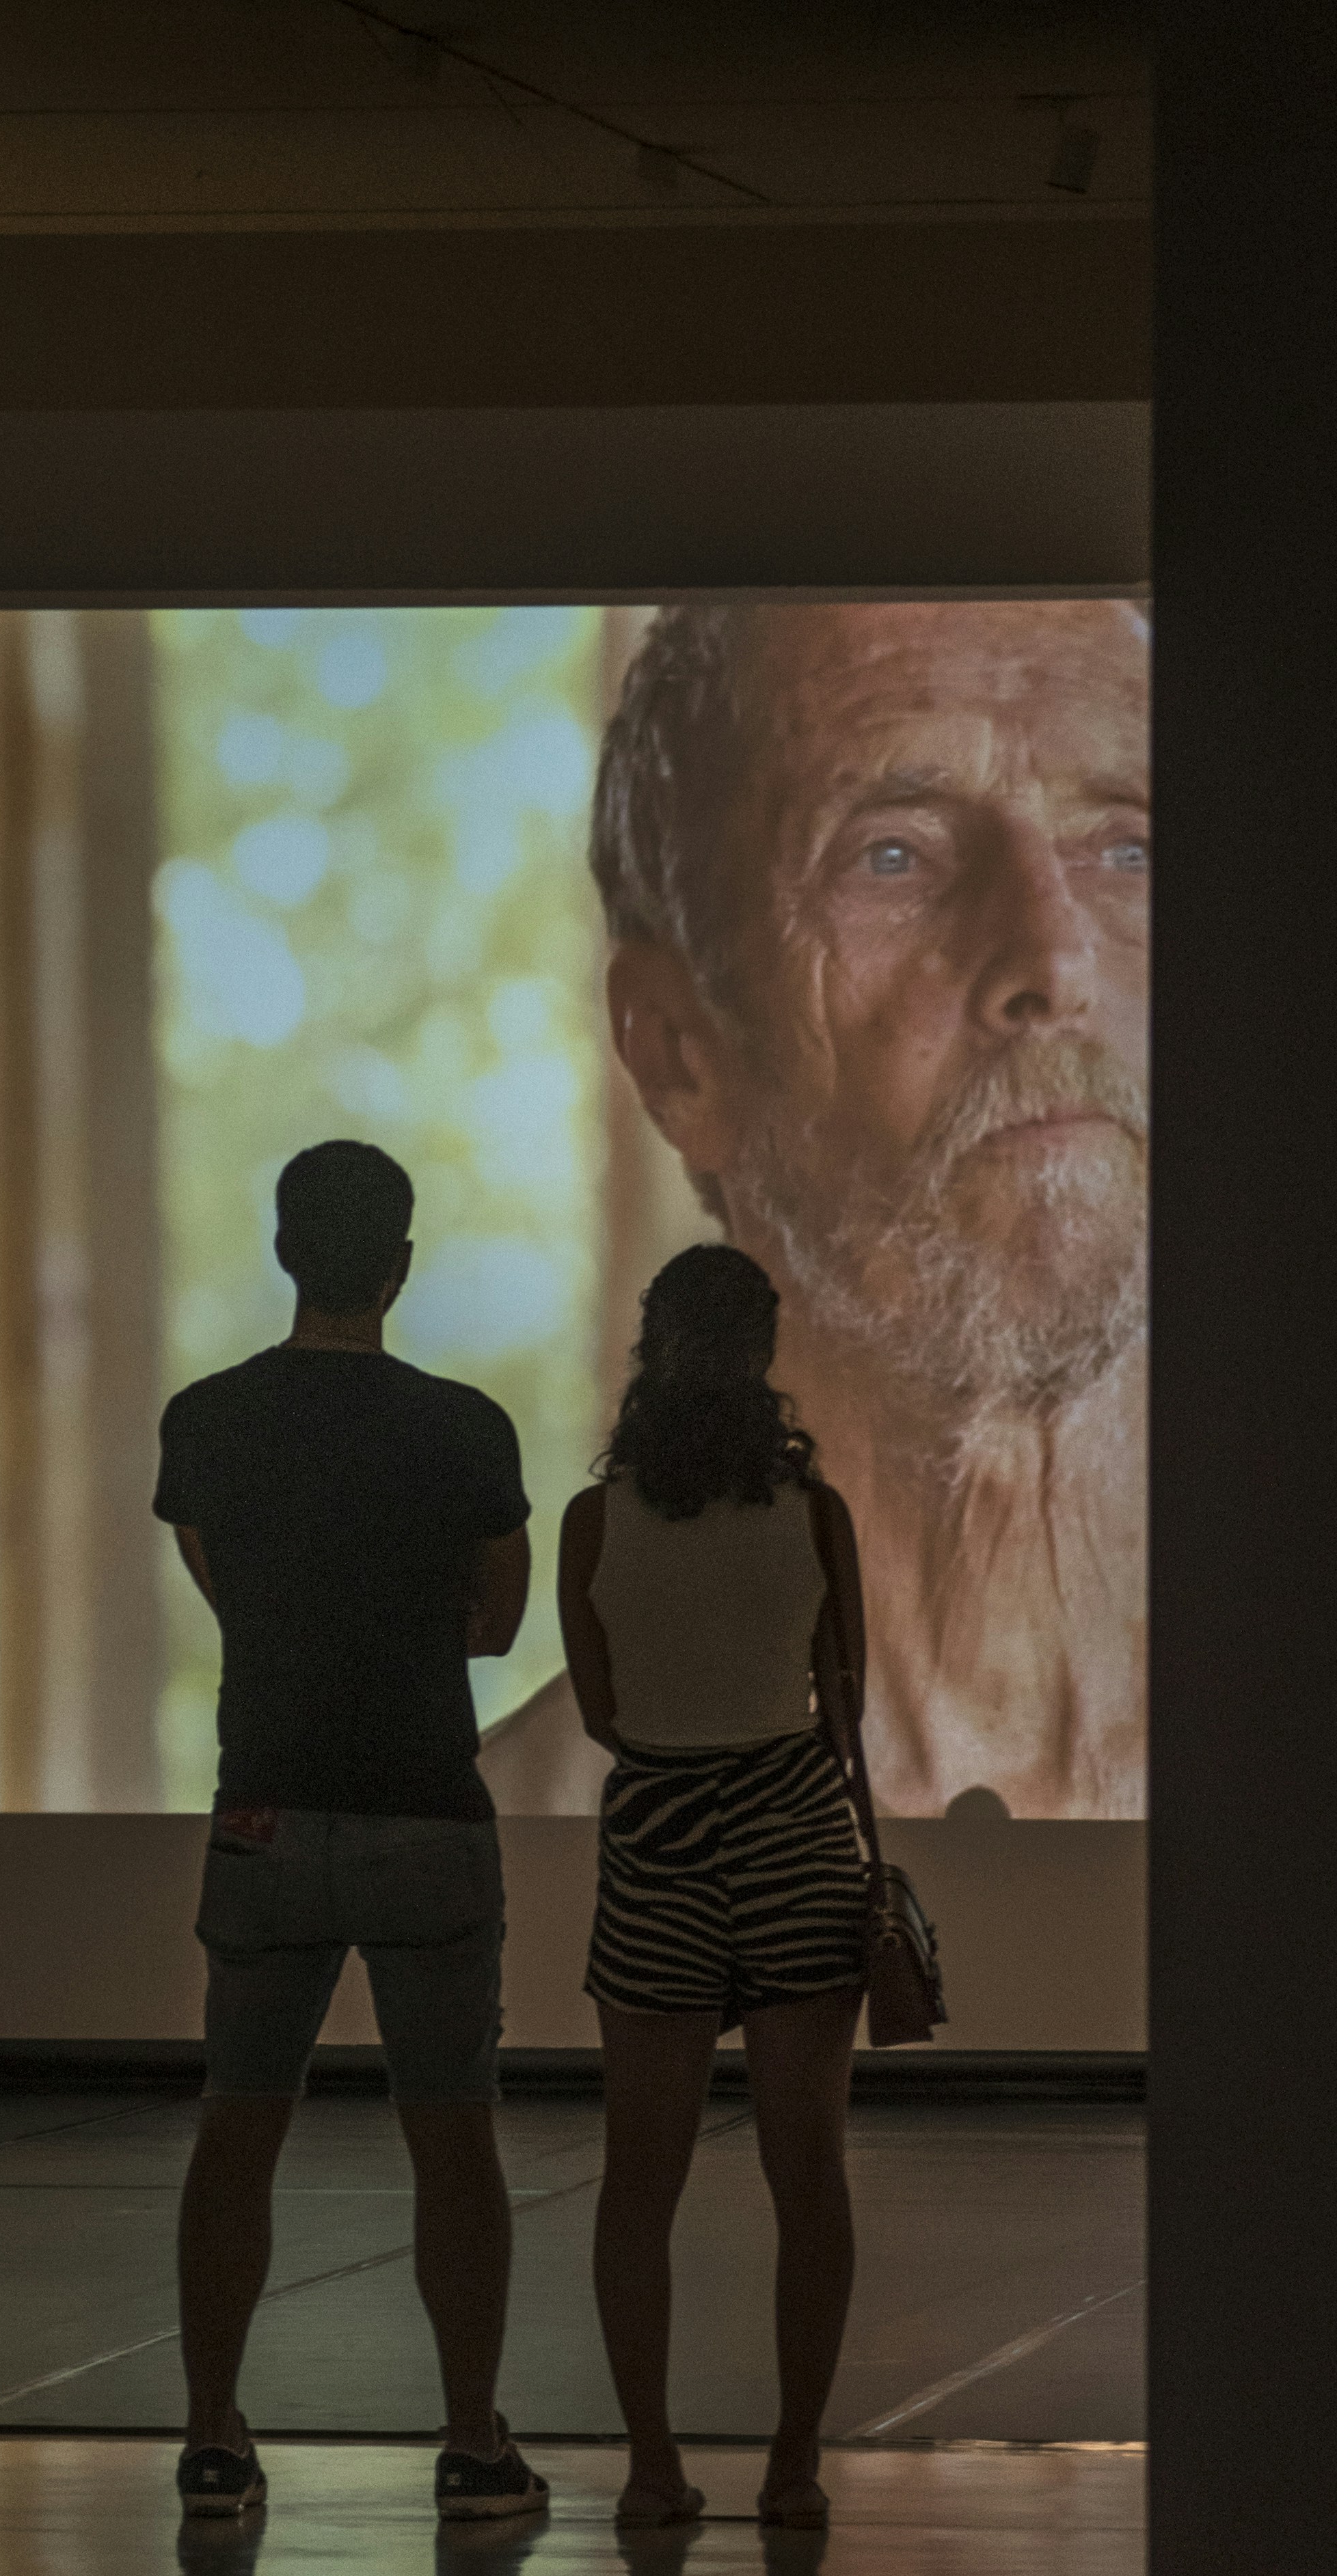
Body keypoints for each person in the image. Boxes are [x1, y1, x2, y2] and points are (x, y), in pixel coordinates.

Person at [486, 595, 1148, 1822]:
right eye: (892, 855)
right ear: (681, 1052)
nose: (1056, 963)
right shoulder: (522, 1852)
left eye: (1129, 849)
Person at [156, 1138, 550, 2528]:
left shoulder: (202, 1423)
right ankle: (470, 2444)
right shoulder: (466, 1432)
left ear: (283, 1254)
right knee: (453, 2143)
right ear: (397, 1265)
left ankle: (212, 2439)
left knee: (235, 2134)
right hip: (424, 1819)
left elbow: (227, 1591)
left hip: (263, 1811)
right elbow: (499, 1625)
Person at [558, 1244, 872, 2531]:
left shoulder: (595, 1520)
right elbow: (847, 1704)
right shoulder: (815, 1515)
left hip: (660, 1845)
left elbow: (601, 1711)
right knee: (812, 2170)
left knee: (642, 2180)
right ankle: (794, 2465)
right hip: (797, 1838)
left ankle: (651, 2465)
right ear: (763, 1356)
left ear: (650, 1350)